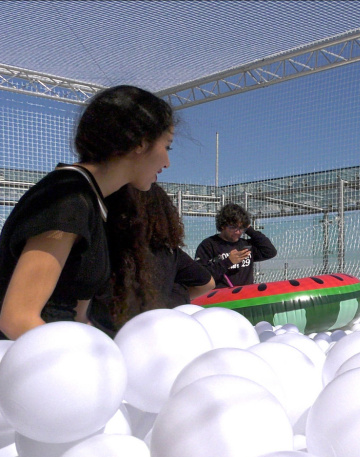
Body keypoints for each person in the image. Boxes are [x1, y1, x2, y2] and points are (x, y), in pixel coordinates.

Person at [0, 85, 176, 340]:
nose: (167, 163)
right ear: (141, 142)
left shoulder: (91, 201)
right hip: (32, 366)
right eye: (167, 147)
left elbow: (77, 316)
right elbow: (17, 319)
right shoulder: (68, 200)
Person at [90, 183, 215, 334]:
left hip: (106, 333)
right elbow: (207, 283)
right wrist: (171, 296)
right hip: (154, 332)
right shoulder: (168, 251)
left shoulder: (103, 245)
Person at [195, 203, 277, 288]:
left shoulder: (245, 245)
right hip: (220, 297)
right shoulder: (209, 245)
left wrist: (249, 229)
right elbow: (200, 276)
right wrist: (228, 262)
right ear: (223, 226)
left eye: (241, 228)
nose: (238, 232)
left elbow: (270, 251)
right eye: (233, 227)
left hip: (245, 295)